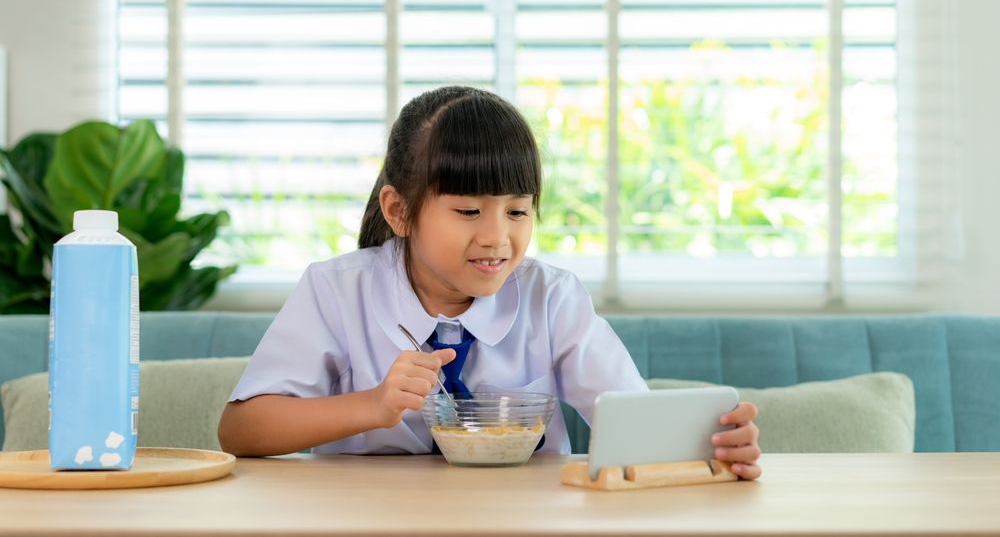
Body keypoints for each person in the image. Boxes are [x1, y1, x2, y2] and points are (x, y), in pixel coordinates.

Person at [218, 86, 761, 480]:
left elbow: (633, 419)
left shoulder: (552, 298)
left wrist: (715, 445)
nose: (497, 238)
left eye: (518, 212)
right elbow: (240, 431)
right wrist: (372, 404)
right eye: (470, 210)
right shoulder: (336, 291)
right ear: (399, 211)